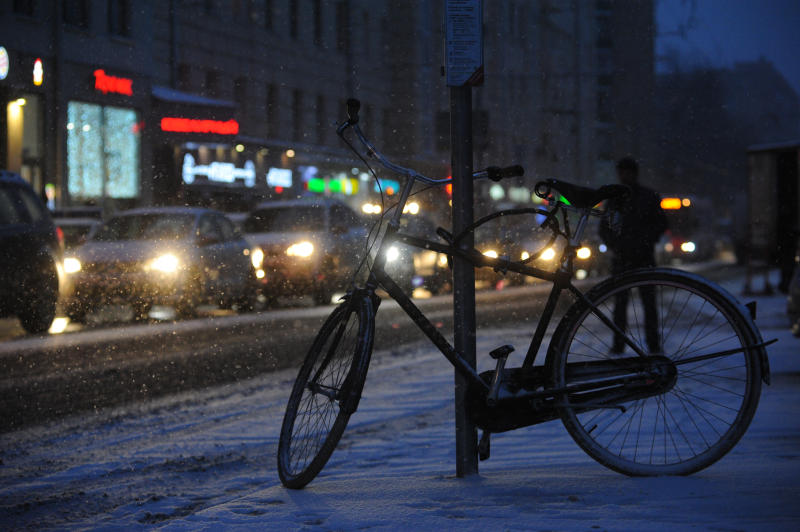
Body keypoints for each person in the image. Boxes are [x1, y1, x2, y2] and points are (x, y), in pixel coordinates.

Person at [599, 157, 668, 354]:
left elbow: (605, 228)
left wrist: (618, 243)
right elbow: (605, 228)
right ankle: (640, 344)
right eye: (623, 172)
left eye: (626, 171)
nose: (624, 175)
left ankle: (638, 343)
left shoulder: (622, 197)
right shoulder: (636, 196)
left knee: (637, 304)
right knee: (633, 304)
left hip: (633, 256)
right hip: (632, 255)